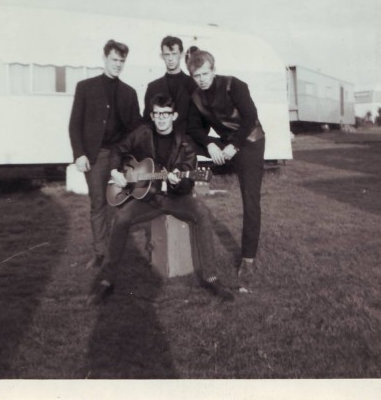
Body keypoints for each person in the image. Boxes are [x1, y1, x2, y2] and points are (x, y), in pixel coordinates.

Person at [91, 94, 234, 303]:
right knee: (121, 218)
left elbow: (188, 177)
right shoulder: (142, 134)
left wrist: (178, 181)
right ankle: (106, 281)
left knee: (202, 213)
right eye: (157, 114)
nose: (161, 119)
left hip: (175, 198)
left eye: (165, 114)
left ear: (173, 115)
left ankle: (211, 277)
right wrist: (115, 171)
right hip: (147, 198)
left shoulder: (185, 144)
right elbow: (118, 150)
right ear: (152, 115)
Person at [186, 49, 266, 289]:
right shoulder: (196, 97)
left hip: (250, 142)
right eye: (196, 75)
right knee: (185, 141)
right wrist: (210, 143)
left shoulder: (234, 85)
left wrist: (234, 146)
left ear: (213, 70)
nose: (201, 79)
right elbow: (193, 128)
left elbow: (250, 117)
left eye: (205, 73)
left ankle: (248, 260)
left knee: (250, 202)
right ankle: (184, 185)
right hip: (225, 145)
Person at [69, 39, 142, 269]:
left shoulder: (129, 93)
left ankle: (117, 251)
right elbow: (74, 124)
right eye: (114, 60)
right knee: (98, 203)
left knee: (121, 203)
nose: (118, 65)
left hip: (119, 157)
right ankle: (101, 253)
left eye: (122, 61)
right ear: (104, 58)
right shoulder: (85, 87)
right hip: (95, 156)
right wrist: (79, 154)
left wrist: (132, 159)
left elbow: (136, 129)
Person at [143, 36, 197, 133]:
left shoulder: (193, 85)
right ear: (162, 56)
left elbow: (200, 121)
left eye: (174, 54)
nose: (170, 59)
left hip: (187, 142)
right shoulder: (153, 87)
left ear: (181, 54)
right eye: (167, 55)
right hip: (160, 142)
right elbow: (147, 120)